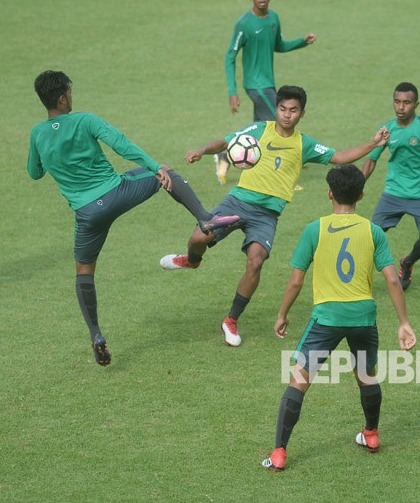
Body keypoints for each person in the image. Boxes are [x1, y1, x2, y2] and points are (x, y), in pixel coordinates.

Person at [27, 71, 239, 367]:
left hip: (87, 214)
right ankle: (205, 219)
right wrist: (155, 167)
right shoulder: (85, 120)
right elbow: (121, 144)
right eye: (70, 93)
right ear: (62, 98)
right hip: (117, 193)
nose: (72, 97)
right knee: (163, 170)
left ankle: (96, 334)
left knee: (84, 272)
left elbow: (35, 173)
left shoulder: (38, 134)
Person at [160, 85, 388, 347]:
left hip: (266, 215)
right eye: (282, 109)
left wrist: (374, 143)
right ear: (276, 109)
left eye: (293, 110)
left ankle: (231, 320)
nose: (287, 115)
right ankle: (191, 260)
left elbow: (339, 157)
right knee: (199, 236)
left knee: (256, 261)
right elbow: (226, 142)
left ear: (302, 113)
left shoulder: (305, 143)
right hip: (238, 200)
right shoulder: (259, 130)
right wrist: (201, 150)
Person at [261, 164, 417, 472]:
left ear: (329, 193)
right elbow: (392, 280)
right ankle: (370, 434)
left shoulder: (314, 229)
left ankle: (279, 453)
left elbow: (295, 281)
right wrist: (404, 323)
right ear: (361, 194)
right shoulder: (373, 231)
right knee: (366, 375)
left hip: (327, 318)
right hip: (363, 316)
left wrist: (282, 314)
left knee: (299, 381)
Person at [215, 0, 316, 186]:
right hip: (255, 84)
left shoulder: (273, 19)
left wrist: (302, 42)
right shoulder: (244, 24)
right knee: (279, 123)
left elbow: (278, 45)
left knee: (259, 127)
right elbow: (229, 57)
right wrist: (232, 91)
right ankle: (284, 172)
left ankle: (225, 155)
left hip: (268, 82)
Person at [362, 82, 420, 290]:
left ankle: (408, 262)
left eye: (406, 103)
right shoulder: (388, 130)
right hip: (393, 193)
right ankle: (358, 279)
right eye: (397, 102)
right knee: (369, 238)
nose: (401, 107)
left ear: (416, 104)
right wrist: (358, 185)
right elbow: (371, 160)